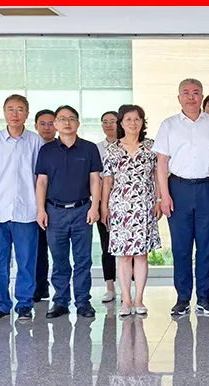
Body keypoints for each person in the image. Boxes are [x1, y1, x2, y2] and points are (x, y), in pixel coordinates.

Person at [153, 79, 209, 317]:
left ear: (202, 96)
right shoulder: (169, 125)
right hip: (178, 189)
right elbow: (162, 163)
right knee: (181, 247)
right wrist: (164, 196)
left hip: (207, 189)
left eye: (196, 92)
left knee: (206, 246)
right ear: (179, 98)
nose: (191, 97)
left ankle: (204, 297)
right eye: (186, 93)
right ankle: (182, 298)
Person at [0, 94, 44, 322]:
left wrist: (40, 208)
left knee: (26, 261)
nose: (15, 114)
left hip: (27, 210)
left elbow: (41, 177)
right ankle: (1, 304)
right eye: (10, 109)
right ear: (4, 112)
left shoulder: (35, 141)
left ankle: (24, 304)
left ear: (27, 114)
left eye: (20, 109)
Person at [36, 105, 103, 319]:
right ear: (56, 124)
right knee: (59, 259)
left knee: (83, 259)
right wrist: (41, 210)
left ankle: (83, 302)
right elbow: (41, 182)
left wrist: (94, 207)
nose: (67, 122)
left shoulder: (89, 149)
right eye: (62, 119)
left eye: (71, 118)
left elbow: (95, 180)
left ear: (78, 123)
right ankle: (60, 301)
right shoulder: (46, 150)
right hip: (54, 212)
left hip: (82, 210)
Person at [104, 104, 161, 317]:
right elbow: (107, 180)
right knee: (124, 256)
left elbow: (158, 176)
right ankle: (126, 299)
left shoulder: (151, 147)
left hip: (144, 206)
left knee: (141, 255)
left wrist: (159, 200)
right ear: (121, 123)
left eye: (137, 119)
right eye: (128, 119)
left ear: (142, 122)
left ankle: (139, 299)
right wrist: (103, 207)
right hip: (120, 207)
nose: (133, 123)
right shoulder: (113, 149)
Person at [32, 109, 57, 302]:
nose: (47, 128)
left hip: (58, 205)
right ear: (35, 126)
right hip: (34, 205)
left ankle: (62, 292)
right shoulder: (31, 146)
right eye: (42, 123)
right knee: (38, 249)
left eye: (51, 123)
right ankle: (40, 288)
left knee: (58, 249)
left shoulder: (61, 147)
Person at [95, 111, 119, 303]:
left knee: (130, 248)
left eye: (113, 121)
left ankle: (131, 287)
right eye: (105, 122)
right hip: (103, 202)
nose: (109, 125)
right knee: (107, 245)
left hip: (128, 203)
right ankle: (110, 287)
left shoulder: (127, 145)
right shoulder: (96, 149)